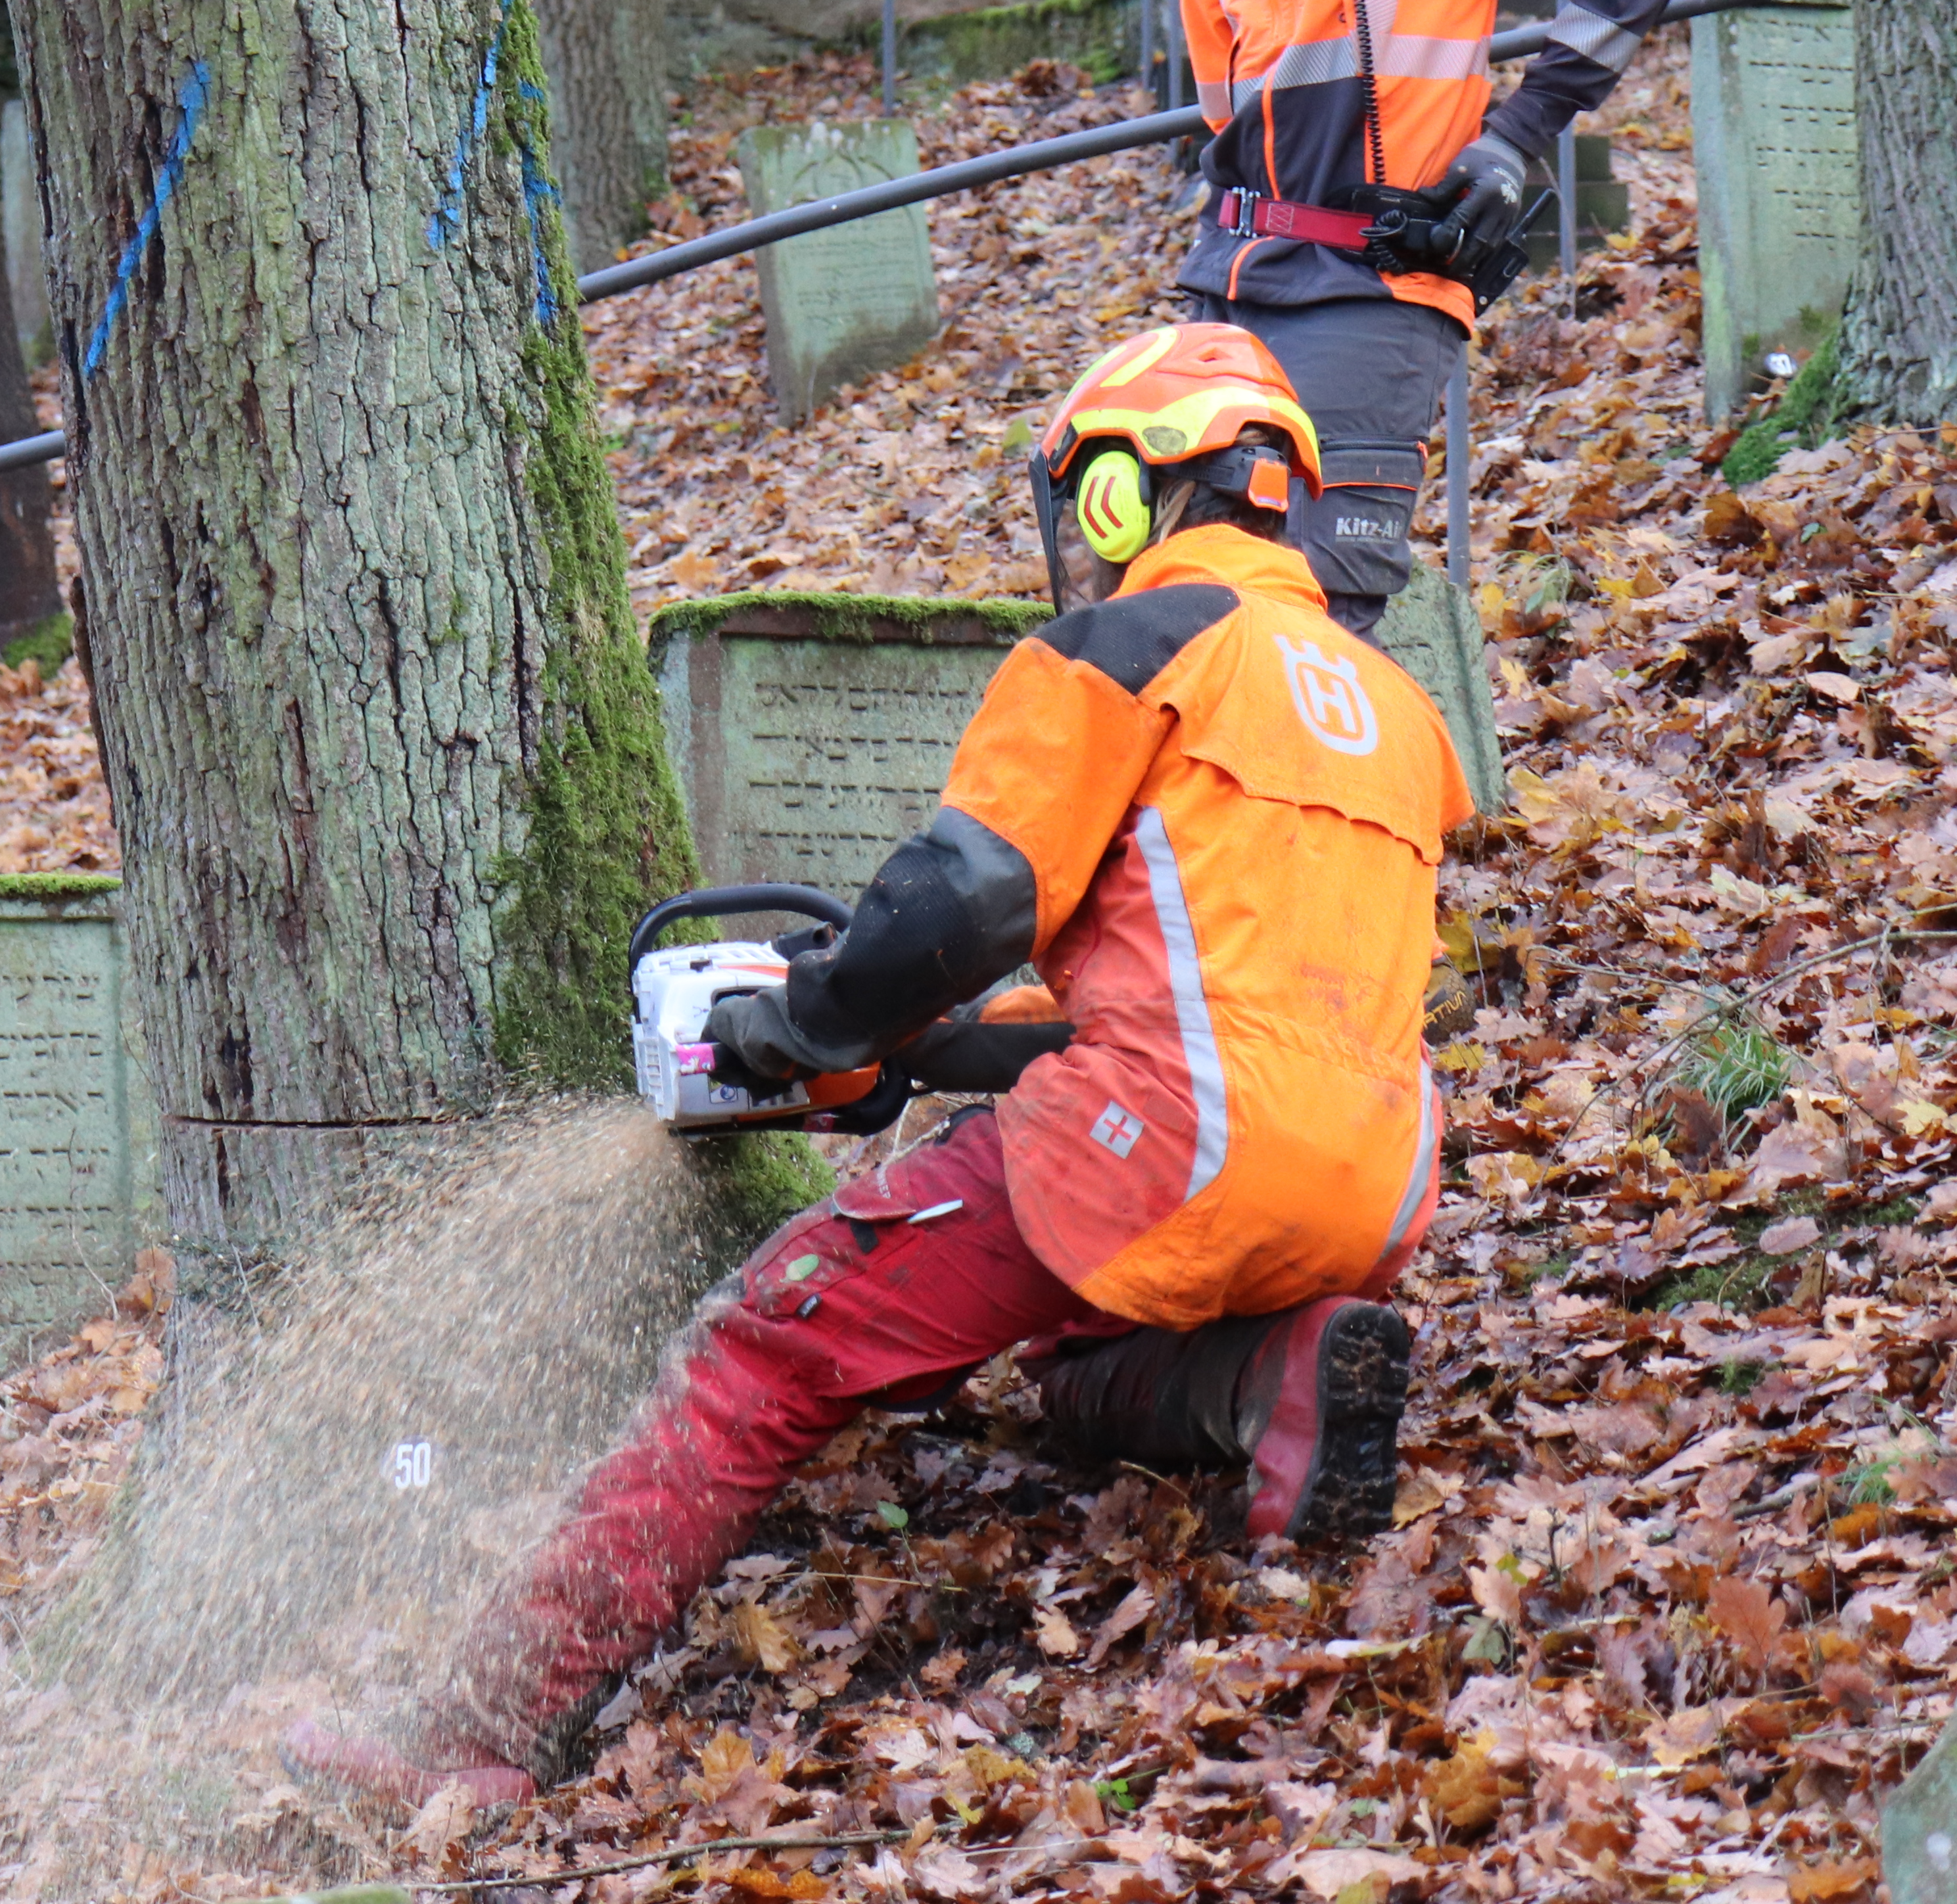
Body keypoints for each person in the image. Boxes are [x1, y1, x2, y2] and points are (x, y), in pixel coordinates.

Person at [289, 323, 1467, 1805]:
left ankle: (476, 1721)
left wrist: (811, 1019)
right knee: (1073, 1361)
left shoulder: (1126, 648)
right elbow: (1240, 992)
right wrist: (930, 1050)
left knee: (768, 1342)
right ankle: (1278, 1373)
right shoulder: (1397, 716)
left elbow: (963, 903)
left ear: (1123, 493)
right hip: (1372, 1184)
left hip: (1172, 1151)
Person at [1143, 0, 1681, 632]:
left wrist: (1516, 140)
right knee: (1190, 598)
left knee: (1318, 609)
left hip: (1377, 288)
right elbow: (1225, 135)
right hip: (1228, 293)